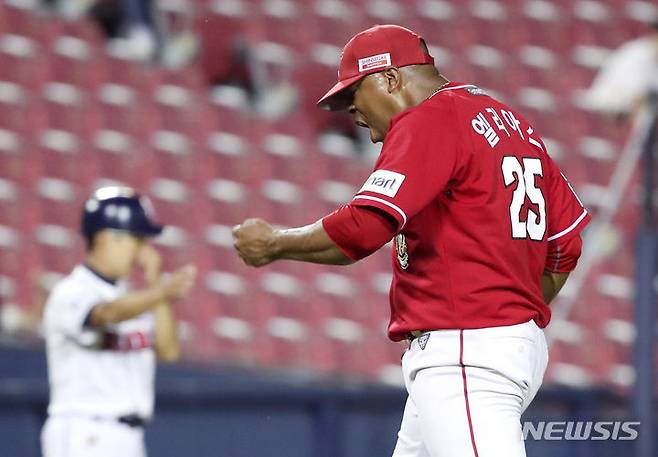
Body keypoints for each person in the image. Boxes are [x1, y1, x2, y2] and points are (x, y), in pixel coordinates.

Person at [232, 24, 591, 457]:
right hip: (493, 347)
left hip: (466, 353)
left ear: (389, 78)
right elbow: (566, 245)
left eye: (353, 99)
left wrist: (275, 243)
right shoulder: (510, 121)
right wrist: (511, 318)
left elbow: (365, 228)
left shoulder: (430, 117)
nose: (358, 118)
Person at [41, 186, 196, 457]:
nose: (143, 249)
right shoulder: (71, 291)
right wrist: (162, 292)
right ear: (107, 238)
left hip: (128, 436)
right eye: (138, 238)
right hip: (84, 432)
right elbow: (104, 314)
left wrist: (155, 283)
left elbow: (168, 351)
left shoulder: (137, 298)